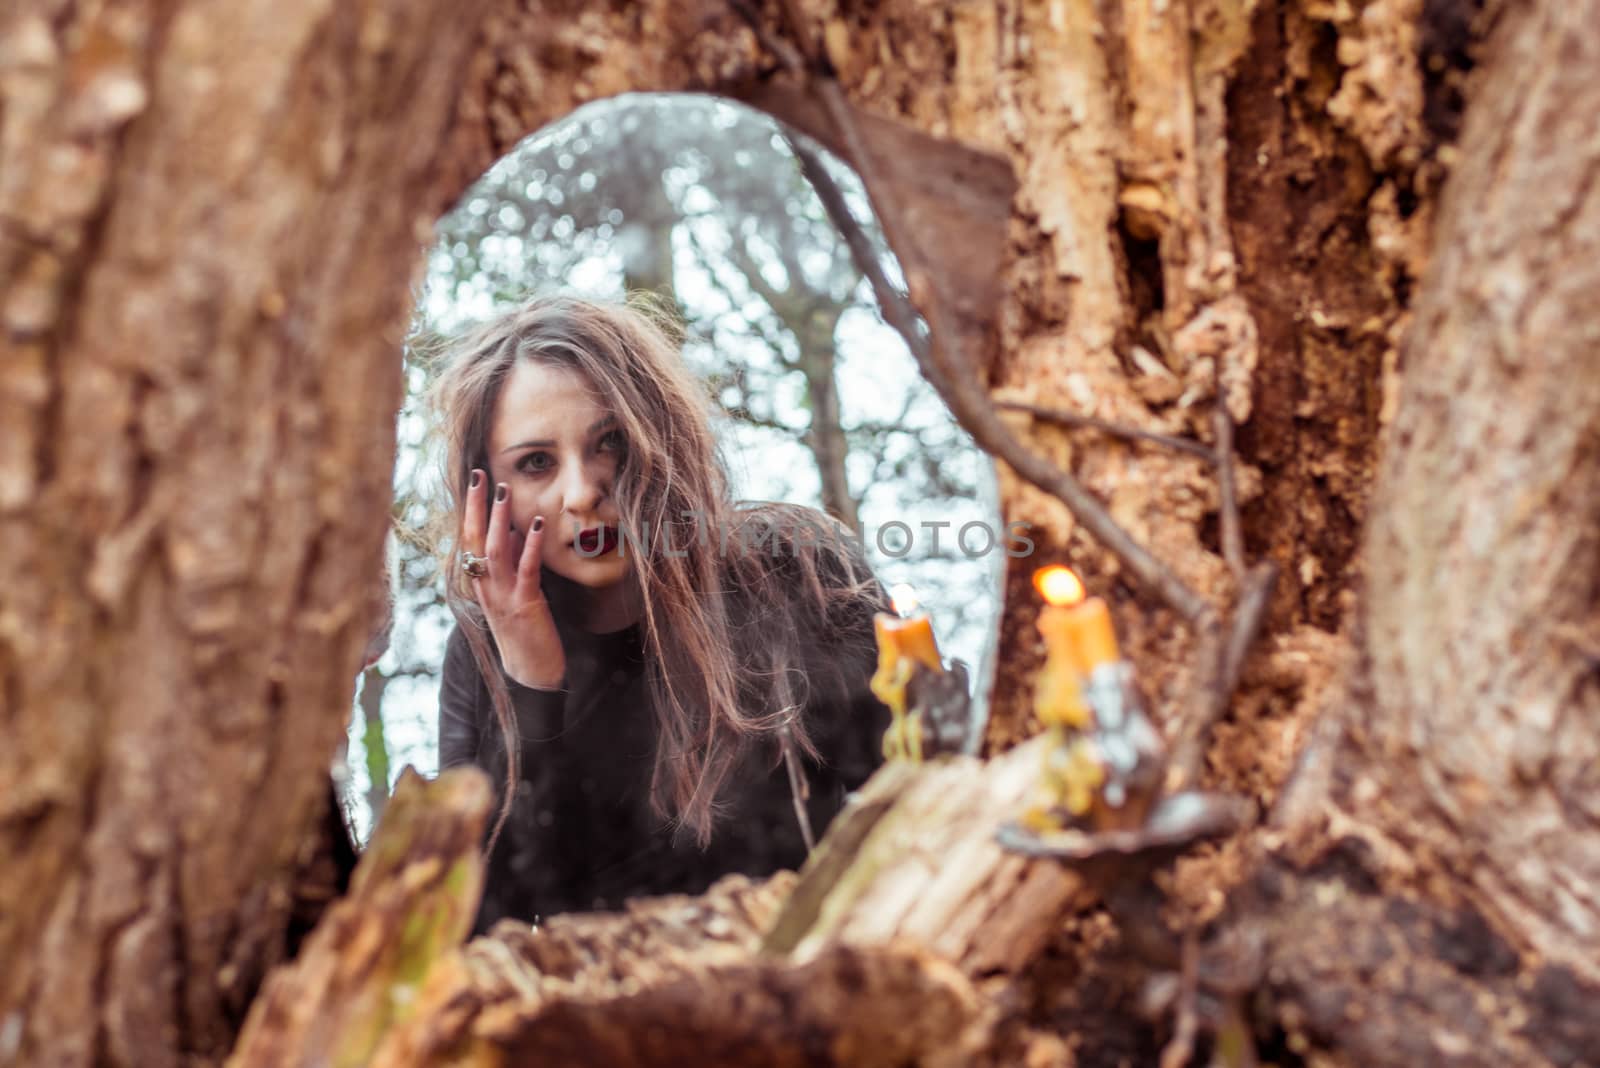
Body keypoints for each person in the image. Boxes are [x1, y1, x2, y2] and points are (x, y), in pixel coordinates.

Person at [424, 294, 893, 932]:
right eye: (536, 462)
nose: (583, 492)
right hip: (604, 1018)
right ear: (488, 493)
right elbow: (474, 923)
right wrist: (531, 677)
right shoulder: (480, 651)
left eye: (609, 442)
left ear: (659, 435)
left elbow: (916, 806)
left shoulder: (798, 572)